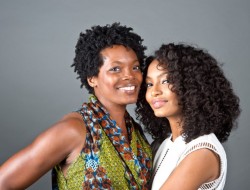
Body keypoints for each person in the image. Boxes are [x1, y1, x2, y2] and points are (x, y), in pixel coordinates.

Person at [0, 23, 152, 190]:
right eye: (115, 69)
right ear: (92, 78)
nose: (130, 75)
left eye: (135, 67)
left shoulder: (135, 132)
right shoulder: (74, 130)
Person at [135, 43, 240, 190]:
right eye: (149, 84)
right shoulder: (163, 144)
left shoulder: (202, 151)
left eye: (166, 81)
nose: (154, 91)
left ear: (192, 86)